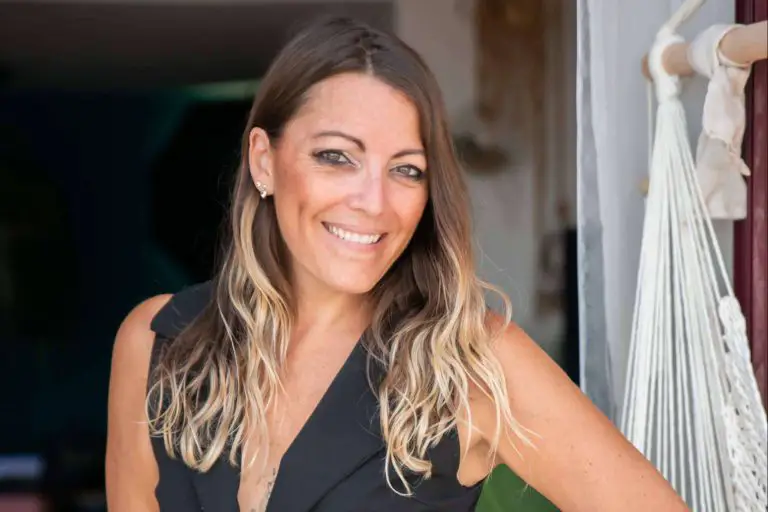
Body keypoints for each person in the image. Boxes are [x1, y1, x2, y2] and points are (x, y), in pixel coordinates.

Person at [105, 16, 689, 512]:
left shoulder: (471, 363)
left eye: (406, 170)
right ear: (264, 161)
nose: (374, 202)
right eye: (337, 157)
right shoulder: (157, 345)